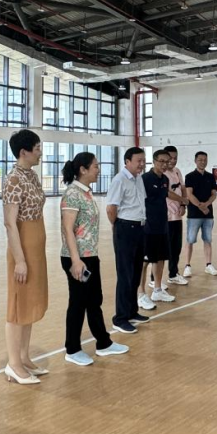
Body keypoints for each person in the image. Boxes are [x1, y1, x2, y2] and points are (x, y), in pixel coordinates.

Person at [60, 151, 129, 366]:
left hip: (90, 256)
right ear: (83, 169)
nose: (99, 170)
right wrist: (76, 260)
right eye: (96, 166)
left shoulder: (86, 193)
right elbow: (68, 229)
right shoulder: (73, 193)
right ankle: (72, 349)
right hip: (77, 258)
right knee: (78, 303)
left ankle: (103, 343)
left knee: (93, 301)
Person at [2, 129, 50, 386]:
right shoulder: (13, 179)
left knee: (30, 302)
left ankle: (24, 356)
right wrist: (20, 260)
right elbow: (10, 223)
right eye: (37, 148)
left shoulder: (31, 175)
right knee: (18, 305)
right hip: (22, 248)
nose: (40, 153)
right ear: (24, 152)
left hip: (36, 246)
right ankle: (13, 363)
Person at [107, 147, 148, 334]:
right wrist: (118, 226)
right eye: (138, 160)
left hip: (139, 228)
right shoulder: (119, 180)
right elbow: (111, 209)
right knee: (125, 274)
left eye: (143, 160)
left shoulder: (138, 179)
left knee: (135, 272)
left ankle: (132, 311)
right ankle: (120, 318)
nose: (142, 164)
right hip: (125, 229)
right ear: (127, 161)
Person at [141, 149, 174, 306]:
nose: (164, 164)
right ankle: (140, 293)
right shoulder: (145, 179)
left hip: (162, 226)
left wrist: (182, 200)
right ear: (154, 161)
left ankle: (158, 290)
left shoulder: (165, 179)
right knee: (144, 261)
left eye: (167, 162)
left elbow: (166, 195)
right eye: (161, 161)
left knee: (160, 258)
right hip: (148, 227)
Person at [183, 151, 217, 277]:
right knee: (190, 240)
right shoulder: (190, 176)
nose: (203, 162)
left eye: (205, 160)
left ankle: (208, 265)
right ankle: (187, 266)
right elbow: (189, 194)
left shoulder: (210, 177)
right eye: (200, 160)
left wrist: (206, 204)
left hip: (208, 215)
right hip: (194, 214)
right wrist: (200, 206)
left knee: (208, 240)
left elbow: (213, 194)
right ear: (195, 161)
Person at [163, 146, 188, 286]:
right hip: (165, 217)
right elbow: (166, 192)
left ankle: (173, 274)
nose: (173, 161)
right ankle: (154, 279)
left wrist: (183, 204)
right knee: (162, 249)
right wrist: (182, 200)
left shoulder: (177, 171)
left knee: (176, 247)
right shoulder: (162, 173)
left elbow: (183, 188)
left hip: (177, 216)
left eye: (175, 158)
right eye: (170, 158)